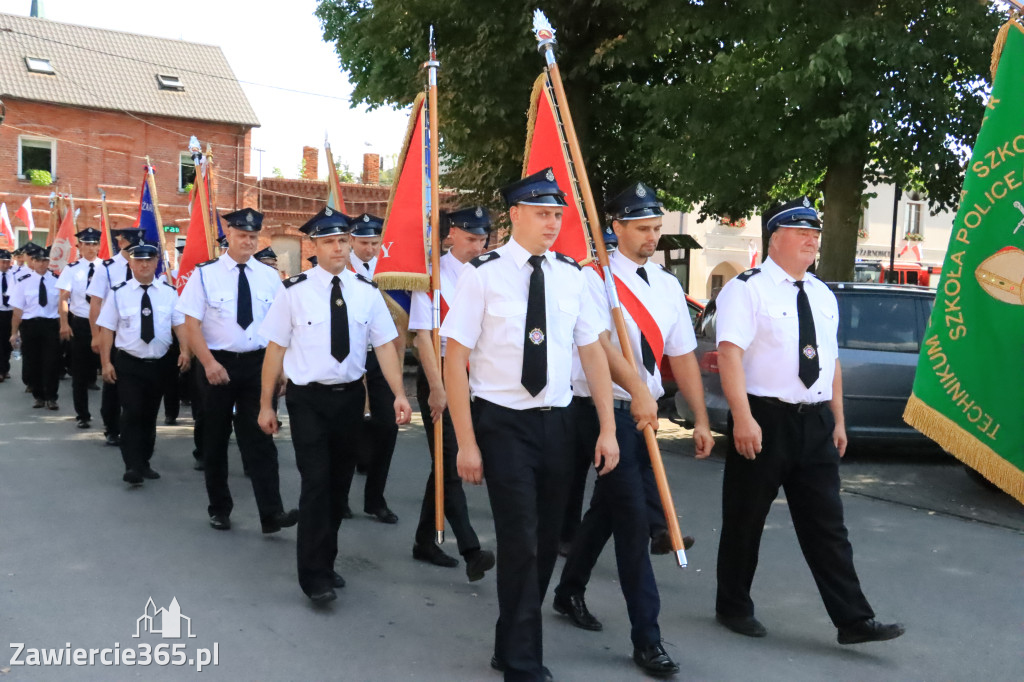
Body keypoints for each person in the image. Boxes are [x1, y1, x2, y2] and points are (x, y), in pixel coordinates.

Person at [442, 168, 619, 682]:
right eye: (542, 213)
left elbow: (592, 353)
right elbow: (456, 361)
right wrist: (467, 443)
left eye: (558, 215)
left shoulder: (571, 274)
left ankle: (510, 639)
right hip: (503, 424)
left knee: (545, 543)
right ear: (515, 215)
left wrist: (607, 427)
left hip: (559, 424)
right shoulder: (483, 274)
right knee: (519, 538)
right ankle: (523, 661)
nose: (552, 223)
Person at [713, 196, 905, 645]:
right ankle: (733, 605)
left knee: (827, 524)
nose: (812, 242)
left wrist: (838, 419)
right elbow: (729, 355)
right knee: (745, 518)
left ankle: (853, 620)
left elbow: (831, 362)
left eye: (815, 235)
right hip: (765, 419)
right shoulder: (747, 288)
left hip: (814, 422)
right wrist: (742, 418)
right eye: (802, 233)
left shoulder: (821, 294)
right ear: (775, 238)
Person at [552, 182, 713, 676]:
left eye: (657, 228)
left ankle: (568, 590)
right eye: (642, 228)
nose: (652, 236)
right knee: (632, 522)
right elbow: (600, 346)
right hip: (600, 411)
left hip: (643, 413)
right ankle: (648, 639)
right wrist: (638, 391)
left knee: (607, 509)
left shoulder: (665, 286)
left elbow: (681, 354)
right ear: (616, 227)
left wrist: (701, 416)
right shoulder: (593, 279)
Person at [258, 206, 412, 603]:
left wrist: (398, 394)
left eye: (344, 240)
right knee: (316, 483)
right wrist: (265, 405)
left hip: (349, 401)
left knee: (338, 487)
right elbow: (274, 352)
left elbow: (385, 347)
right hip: (307, 400)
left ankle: (326, 561)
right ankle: (314, 577)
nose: (339, 248)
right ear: (316, 246)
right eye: (329, 242)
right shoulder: (294, 292)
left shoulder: (366, 292)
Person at [176, 207, 297, 533]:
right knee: (215, 440)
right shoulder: (205, 274)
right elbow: (191, 324)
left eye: (253, 236)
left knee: (260, 439)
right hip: (217, 364)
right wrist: (209, 363)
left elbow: (279, 327)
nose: (247, 241)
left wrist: (282, 369)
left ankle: (272, 514)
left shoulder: (269, 277)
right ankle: (219, 508)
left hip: (258, 365)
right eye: (242, 235)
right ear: (228, 235)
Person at [407, 206, 496, 580]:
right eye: (471, 239)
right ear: (451, 236)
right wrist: (438, 386)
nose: (478, 246)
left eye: (482, 239)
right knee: (450, 464)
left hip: (480, 377)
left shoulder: (490, 273)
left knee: (442, 465)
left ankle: (424, 541)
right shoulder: (433, 275)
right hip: (443, 373)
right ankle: (471, 549)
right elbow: (422, 336)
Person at [96, 240, 189, 486]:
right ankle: (132, 465)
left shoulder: (169, 293)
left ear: (157, 263)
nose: (144, 264)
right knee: (132, 412)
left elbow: (179, 324)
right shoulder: (118, 293)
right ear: (131, 263)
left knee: (149, 415)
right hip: (129, 363)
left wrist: (186, 351)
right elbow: (106, 329)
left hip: (160, 363)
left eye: (149, 260)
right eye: (139, 260)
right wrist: (106, 363)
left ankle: (144, 461)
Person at [341, 212, 401, 523]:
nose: (369, 249)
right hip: (347, 356)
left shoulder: (390, 271)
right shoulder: (341, 268)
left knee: (387, 427)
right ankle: (341, 498)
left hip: (379, 356)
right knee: (349, 429)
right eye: (363, 242)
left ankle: (375, 499)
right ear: (351, 240)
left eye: (374, 243)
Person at [88, 227, 144, 446]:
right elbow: (96, 303)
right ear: (121, 244)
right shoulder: (107, 268)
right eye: (131, 248)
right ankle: (112, 427)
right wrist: (96, 335)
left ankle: (134, 426)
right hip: (112, 331)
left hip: (137, 332)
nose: (136, 253)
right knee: (112, 382)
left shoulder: (145, 264)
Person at [57, 228, 104, 428]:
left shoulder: (106, 267)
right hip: (81, 324)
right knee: (80, 373)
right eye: (87, 244)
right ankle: (82, 415)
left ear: (99, 245)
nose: (91, 248)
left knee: (110, 370)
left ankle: (111, 416)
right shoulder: (72, 269)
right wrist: (64, 323)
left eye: (95, 244)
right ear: (80, 246)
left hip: (104, 325)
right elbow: (63, 298)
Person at [10, 244, 61, 409]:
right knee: (33, 361)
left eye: (45, 260)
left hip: (51, 325)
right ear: (32, 261)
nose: (41, 264)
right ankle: (38, 395)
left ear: (48, 262)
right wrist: (14, 333)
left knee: (52, 362)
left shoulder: (56, 281)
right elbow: (18, 310)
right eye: (38, 260)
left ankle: (52, 396)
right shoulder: (23, 282)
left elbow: (62, 307)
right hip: (30, 326)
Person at [0, 249, 14, 382]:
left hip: (10, 312)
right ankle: (1, 370)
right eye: (3, 262)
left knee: (7, 342)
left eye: (7, 262)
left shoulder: (14, 275)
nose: (5, 265)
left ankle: (5, 368)